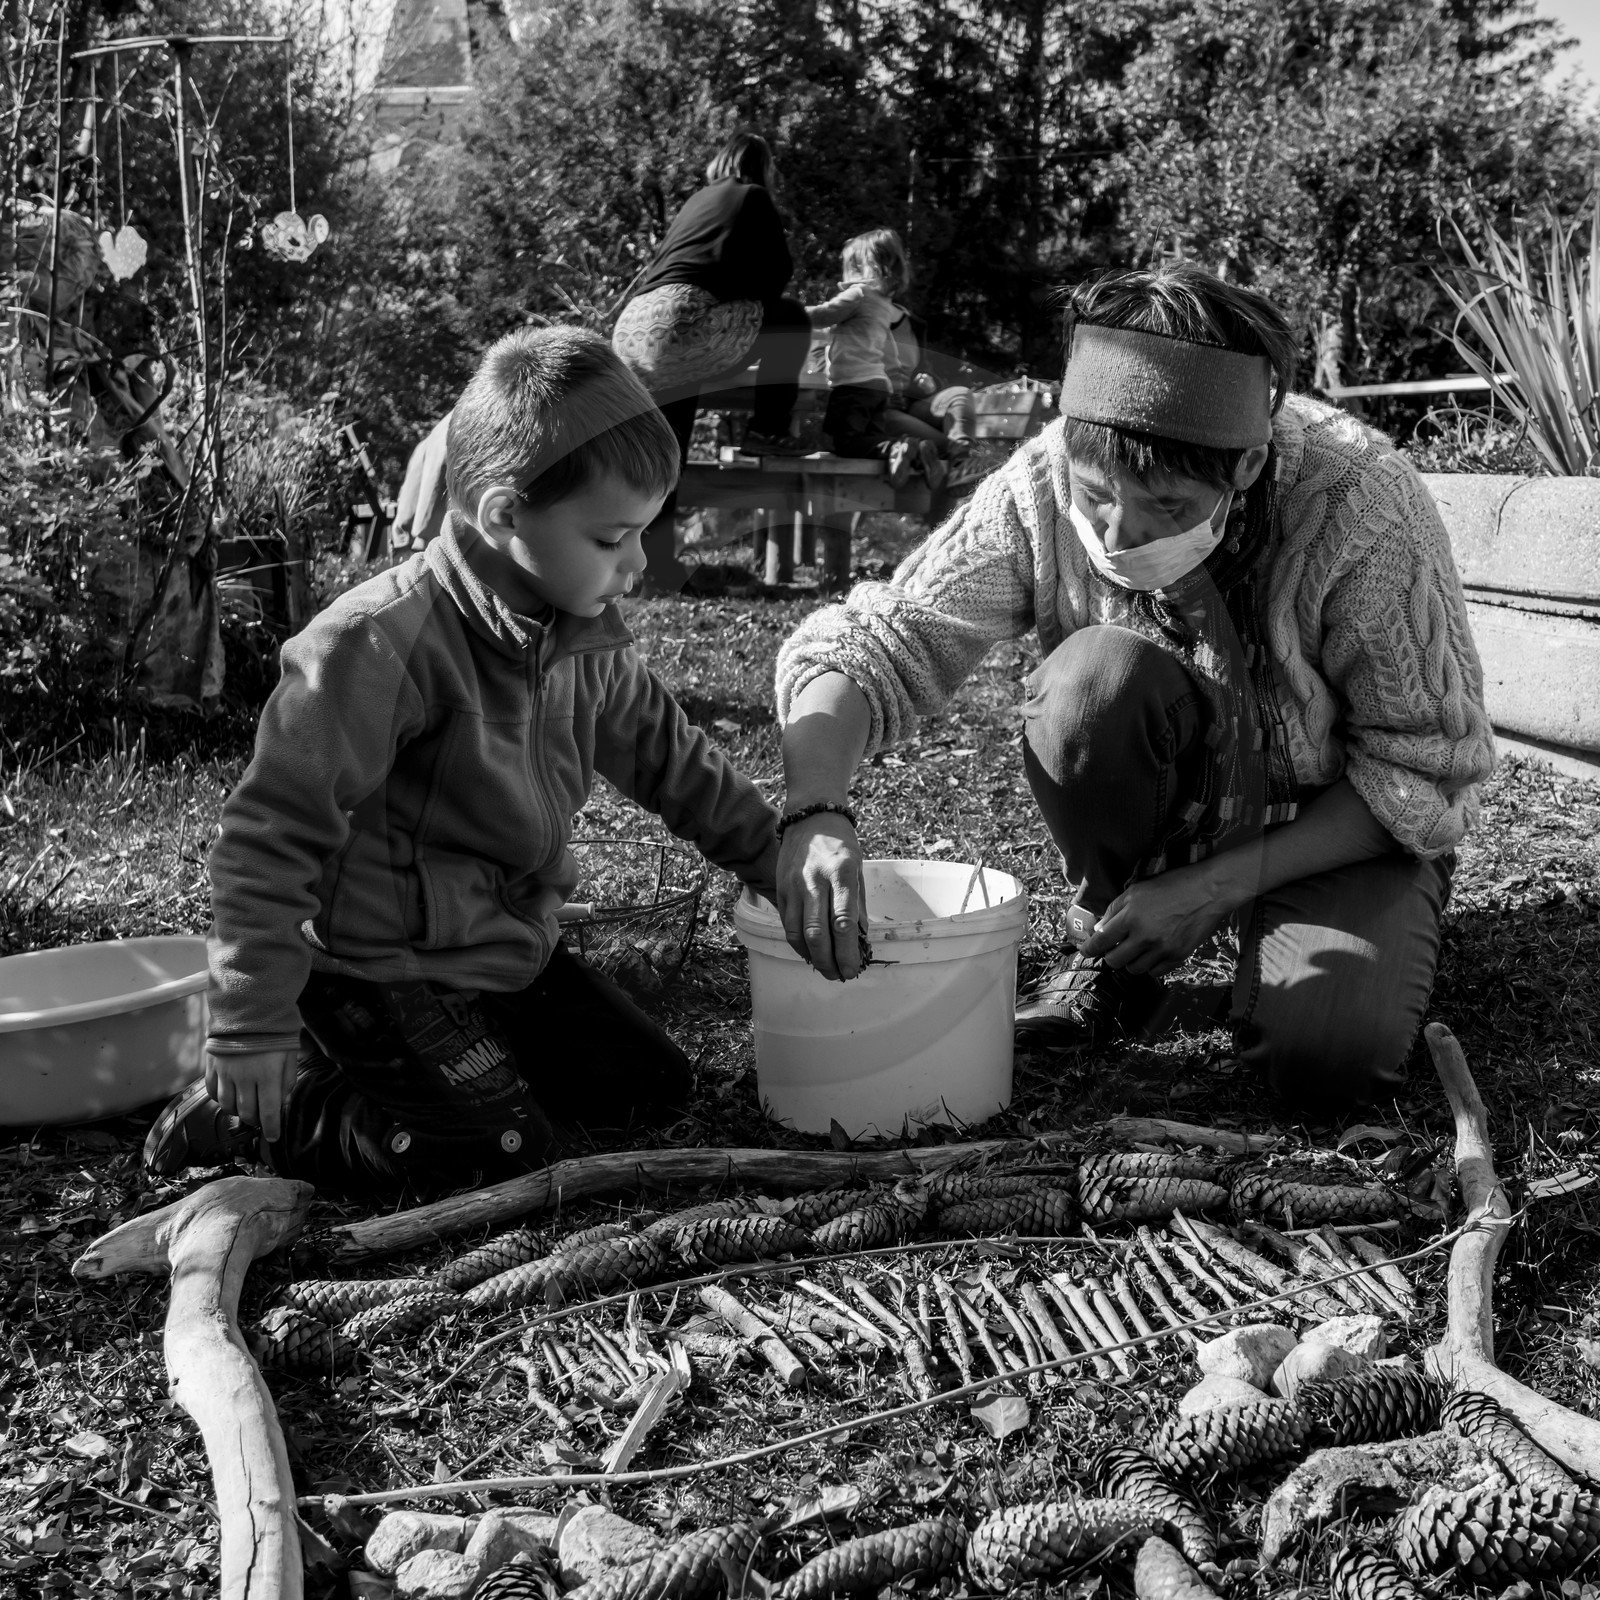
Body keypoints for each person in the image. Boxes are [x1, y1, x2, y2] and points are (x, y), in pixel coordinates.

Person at [771, 262, 1495, 1119]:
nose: (1118, 531)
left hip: (1330, 822)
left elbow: (1422, 768)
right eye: (1096, 493)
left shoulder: (1360, 504)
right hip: (1173, 792)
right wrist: (816, 808)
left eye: (1167, 502)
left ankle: (1281, 919)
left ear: (1249, 463)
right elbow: (882, 642)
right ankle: (1115, 944)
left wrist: (1218, 886)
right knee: (1088, 683)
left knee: (1324, 1060)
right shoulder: (1039, 483)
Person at [144, 327, 779, 1194]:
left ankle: (471, 1068)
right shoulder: (377, 644)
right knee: (488, 1155)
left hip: (504, 959)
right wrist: (250, 1024)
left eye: (643, 533)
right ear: (505, 514)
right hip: (376, 972)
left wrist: (781, 862)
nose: (636, 562)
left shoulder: (585, 640)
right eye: (612, 538)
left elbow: (676, 765)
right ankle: (275, 1109)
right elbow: (268, 835)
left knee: (649, 1093)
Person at [611, 131, 813, 587]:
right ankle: (767, 430)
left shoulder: (698, 200)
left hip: (633, 327)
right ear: (759, 165)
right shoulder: (753, 195)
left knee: (668, 449)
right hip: (684, 321)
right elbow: (777, 274)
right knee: (791, 318)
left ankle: (655, 568)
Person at [806, 228, 943, 489]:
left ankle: (900, 446)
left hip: (853, 385)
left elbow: (825, 315)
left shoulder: (857, 294)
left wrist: (789, 313)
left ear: (860, 267)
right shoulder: (882, 301)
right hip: (877, 385)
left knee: (841, 442)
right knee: (868, 442)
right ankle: (914, 450)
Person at [881, 301, 983, 493]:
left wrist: (928, 383)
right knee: (887, 418)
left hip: (914, 404)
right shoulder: (857, 318)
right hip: (882, 411)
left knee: (960, 394)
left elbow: (923, 370)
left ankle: (960, 462)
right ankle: (957, 457)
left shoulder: (913, 324)